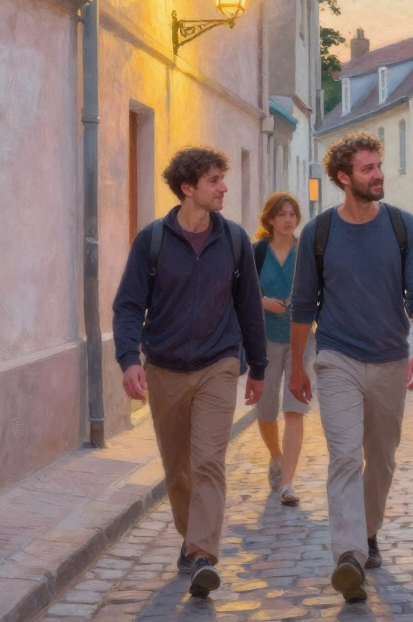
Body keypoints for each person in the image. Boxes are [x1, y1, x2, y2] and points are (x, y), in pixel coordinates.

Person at [112, 147, 267, 599]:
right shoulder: (153, 241)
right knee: (177, 468)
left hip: (219, 363)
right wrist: (127, 360)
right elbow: (127, 306)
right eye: (215, 180)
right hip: (163, 367)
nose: (223, 187)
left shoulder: (234, 240)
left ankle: (202, 554)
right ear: (188, 188)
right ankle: (190, 537)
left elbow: (249, 308)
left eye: (223, 178)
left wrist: (257, 365)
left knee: (208, 461)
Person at [288, 133, 413, 603]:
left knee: (383, 458)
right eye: (368, 169)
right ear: (343, 178)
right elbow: (302, 305)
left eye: (378, 166)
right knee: (346, 456)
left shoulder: (401, 226)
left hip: (391, 356)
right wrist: (298, 366)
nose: (378, 175)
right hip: (336, 358)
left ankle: (368, 531)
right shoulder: (319, 233)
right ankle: (349, 555)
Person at [251, 192, 312, 506]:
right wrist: (264, 302)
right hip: (266, 340)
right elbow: (242, 291)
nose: (289, 219)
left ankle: (287, 483)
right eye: (282, 214)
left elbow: (319, 292)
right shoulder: (257, 252)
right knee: (265, 409)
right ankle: (276, 455)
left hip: (302, 341)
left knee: (294, 408)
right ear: (271, 219)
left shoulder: (306, 253)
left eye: (293, 214)